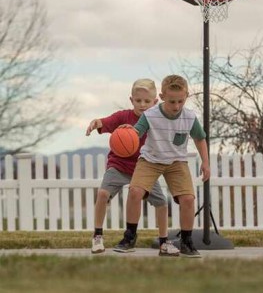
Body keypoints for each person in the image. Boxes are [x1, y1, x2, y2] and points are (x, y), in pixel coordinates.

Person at [114, 74, 210, 258]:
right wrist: (127, 135)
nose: (176, 106)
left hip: (176, 161)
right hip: (150, 159)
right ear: (163, 96)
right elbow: (136, 134)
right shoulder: (150, 115)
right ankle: (129, 237)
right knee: (134, 191)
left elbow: (200, 138)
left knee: (188, 199)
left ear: (187, 96)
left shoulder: (189, 117)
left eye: (180, 101)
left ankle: (187, 242)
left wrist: (206, 163)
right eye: (172, 101)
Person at [86, 78, 179, 257]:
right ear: (131, 100)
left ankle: (164, 242)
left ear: (155, 102)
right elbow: (104, 122)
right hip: (119, 165)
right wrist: (96, 122)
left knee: (161, 203)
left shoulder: (157, 121)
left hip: (145, 168)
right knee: (103, 194)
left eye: (147, 101)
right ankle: (97, 236)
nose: (142, 105)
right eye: (138, 101)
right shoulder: (123, 117)